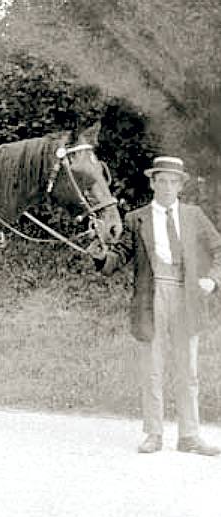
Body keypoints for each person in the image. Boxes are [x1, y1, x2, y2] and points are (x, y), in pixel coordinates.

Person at [89, 156, 221, 456]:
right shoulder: (136, 218)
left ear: (181, 185)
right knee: (152, 369)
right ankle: (154, 433)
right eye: (162, 180)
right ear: (152, 183)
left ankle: (189, 436)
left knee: (188, 370)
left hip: (187, 297)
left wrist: (212, 281)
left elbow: (218, 249)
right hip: (150, 299)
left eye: (174, 181)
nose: (167, 187)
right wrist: (100, 256)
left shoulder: (194, 215)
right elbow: (118, 258)